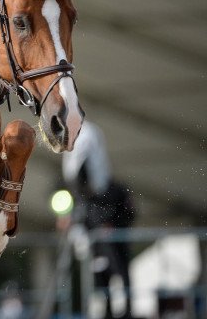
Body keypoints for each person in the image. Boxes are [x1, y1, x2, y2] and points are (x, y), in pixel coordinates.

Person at [62, 121, 135, 319]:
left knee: (119, 272)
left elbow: (129, 214)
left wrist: (112, 225)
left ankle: (126, 310)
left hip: (114, 243)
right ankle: (108, 310)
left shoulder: (116, 191)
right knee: (100, 274)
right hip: (97, 242)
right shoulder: (85, 200)